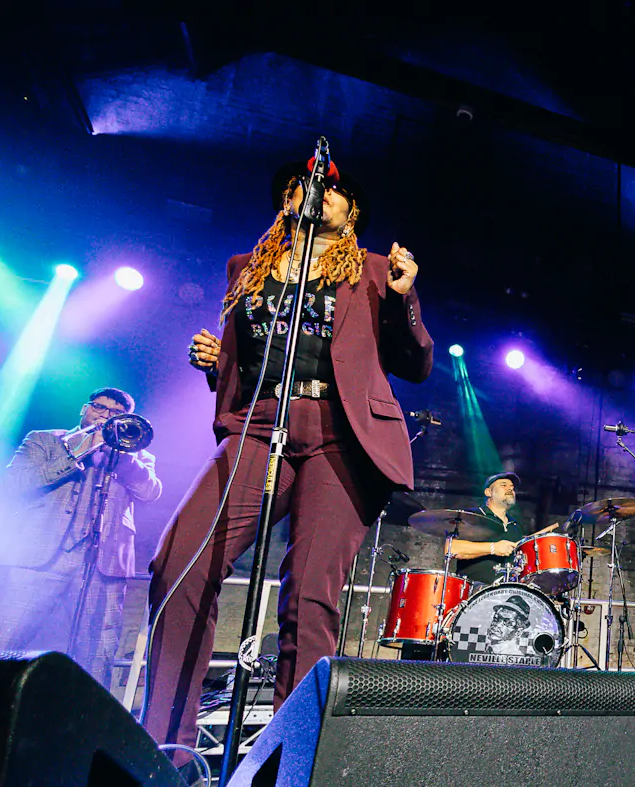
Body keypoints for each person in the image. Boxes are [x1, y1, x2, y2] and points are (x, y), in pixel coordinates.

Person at [142, 156, 434, 749]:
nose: (316, 193)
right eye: (304, 185)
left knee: (309, 592)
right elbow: (243, 357)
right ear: (285, 202)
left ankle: (291, 756)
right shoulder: (246, 269)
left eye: (331, 189)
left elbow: (415, 363)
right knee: (178, 564)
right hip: (258, 426)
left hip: (339, 435)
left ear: (352, 212)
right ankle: (165, 746)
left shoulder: (377, 272)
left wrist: (403, 300)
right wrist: (212, 360)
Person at [0, 388, 161, 688]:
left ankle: (87, 728)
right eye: (99, 407)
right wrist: (81, 448)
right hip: (39, 558)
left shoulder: (137, 455)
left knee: (98, 655)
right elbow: (16, 483)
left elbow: (150, 492)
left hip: (103, 567)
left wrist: (124, 457)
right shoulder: (45, 439)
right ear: (84, 409)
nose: (104, 415)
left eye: (115, 413)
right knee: (6, 640)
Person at [445, 472, 524, 585]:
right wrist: (493, 548)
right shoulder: (472, 516)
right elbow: (451, 548)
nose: (510, 489)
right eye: (503, 485)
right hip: (474, 589)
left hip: (507, 593)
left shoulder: (515, 526)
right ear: (488, 492)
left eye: (512, 487)